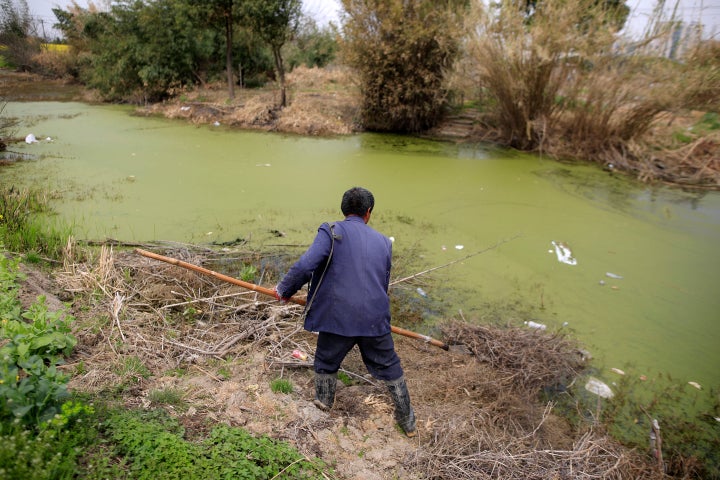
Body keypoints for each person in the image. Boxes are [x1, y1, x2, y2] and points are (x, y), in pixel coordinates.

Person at [273, 187, 416, 437]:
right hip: (374, 318)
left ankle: (323, 405)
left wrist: (284, 289)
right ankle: (408, 423)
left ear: (343, 209)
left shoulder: (331, 231)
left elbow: (307, 265)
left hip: (338, 316)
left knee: (326, 362)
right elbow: (382, 283)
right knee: (391, 366)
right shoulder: (384, 242)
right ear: (368, 213)